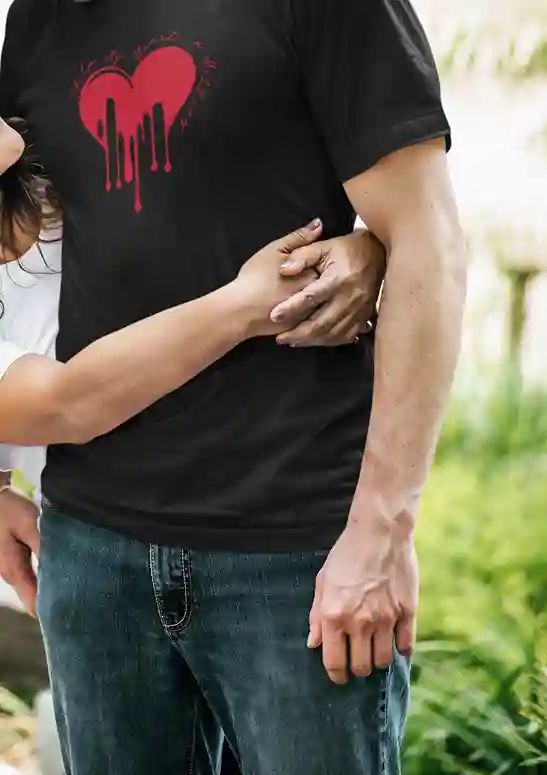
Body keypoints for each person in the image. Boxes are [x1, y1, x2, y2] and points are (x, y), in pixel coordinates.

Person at [0, 0, 467, 773]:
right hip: (90, 553)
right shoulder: (39, 19)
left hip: (293, 555)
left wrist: (381, 528)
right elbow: (22, 244)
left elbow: (430, 242)